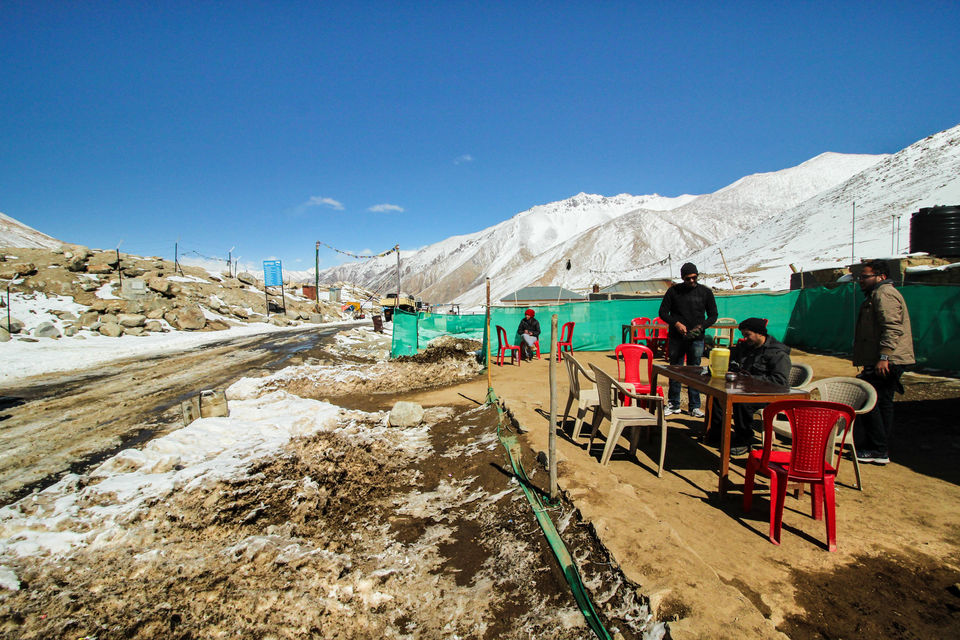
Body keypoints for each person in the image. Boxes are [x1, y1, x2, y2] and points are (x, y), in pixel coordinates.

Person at [852, 260, 914, 465]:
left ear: (880, 276)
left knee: (870, 401)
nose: (861, 280)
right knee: (882, 403)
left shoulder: (884, 294)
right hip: (885, 358)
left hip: (889, 359)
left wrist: (884, 357)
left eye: (865, 277)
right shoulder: (876, 295)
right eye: (860, 277)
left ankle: (877, 448)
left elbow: (892, 328)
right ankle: (878, 447)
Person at [708, 317, 792, 456]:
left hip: (769, 394)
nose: (745, 338)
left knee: (741, 401)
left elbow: (780, 382)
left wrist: (749, 379)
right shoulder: (748, 348)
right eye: (744, 335)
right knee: (719, 394)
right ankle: (719, 433)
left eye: (748, 335)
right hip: (748, 389)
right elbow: (731, 353)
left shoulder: (777, 353)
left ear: (760, 333)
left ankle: (744, 439)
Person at [658, 262, 718, 417]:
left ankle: (694, 406)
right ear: (682, 278)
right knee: (675, 369)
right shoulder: (673, 292)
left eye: (694, 278)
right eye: (687, 278)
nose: (691, 281)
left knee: (694, 371)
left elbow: (713, 315)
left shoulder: (705, 292)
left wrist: (701, 327)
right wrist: (676, 323)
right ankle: (673, 404)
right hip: (677, 338)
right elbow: (663, 312)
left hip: (696, 338)